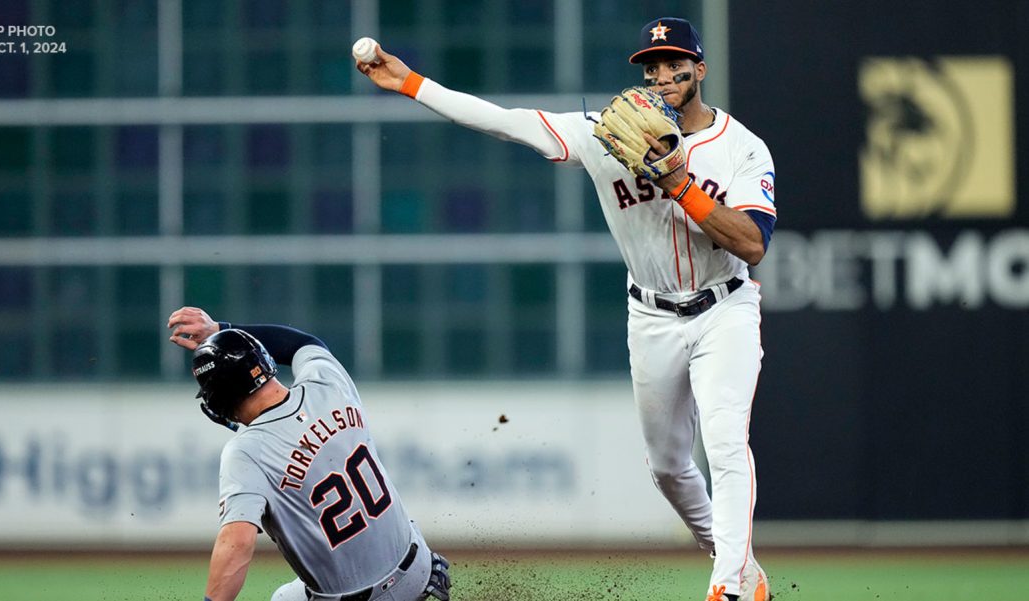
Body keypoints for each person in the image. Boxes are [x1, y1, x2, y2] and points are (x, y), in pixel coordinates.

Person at [356, 16, 775, 601]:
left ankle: (727, 585)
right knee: (669, 469)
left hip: (724, 309)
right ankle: (740, 565)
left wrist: (682, 185)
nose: (660, 75)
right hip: (651, 316)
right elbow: (505, 122)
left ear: (699, 69)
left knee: (727, 441)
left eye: (673, 63)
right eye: (650, 66)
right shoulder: (603, 135)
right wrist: (411, 83)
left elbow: (753, 243)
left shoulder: (741, 148)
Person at [167, 306, 451, 601]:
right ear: (264, 360)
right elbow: (301, 343)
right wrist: (221, 328)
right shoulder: (327, 382)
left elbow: (236, 546)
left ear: (218, 400)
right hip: (419, 569)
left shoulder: (245, 453)